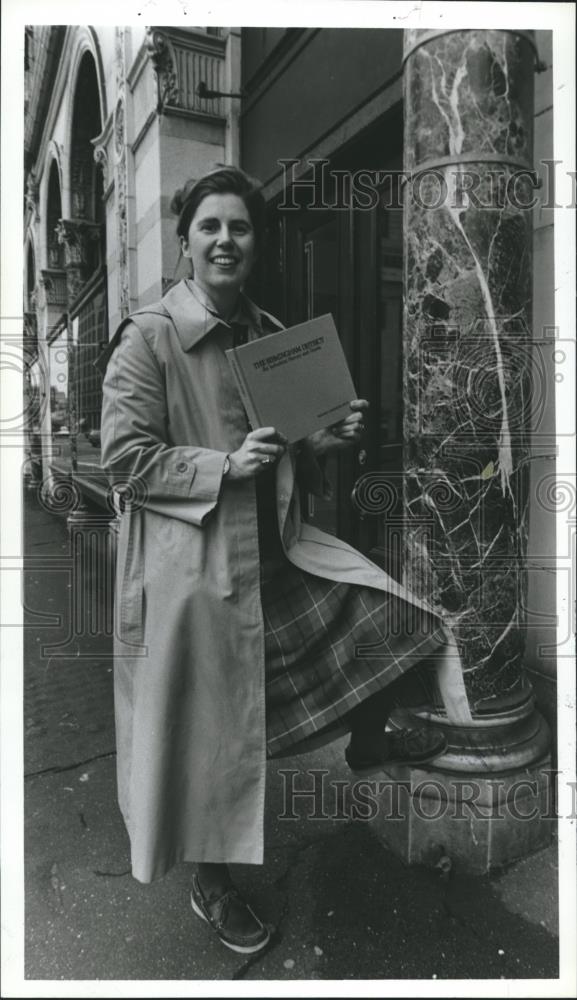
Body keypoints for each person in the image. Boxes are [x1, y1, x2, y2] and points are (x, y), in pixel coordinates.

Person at [97, 165, 470, 955]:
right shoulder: (149, 336)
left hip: (274, 556)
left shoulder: (269, 334)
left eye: (239, 227)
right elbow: (125, 461)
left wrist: (322, 442)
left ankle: (368, 735)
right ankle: (212, 883)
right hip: (191, 579)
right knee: (207, 737)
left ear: (255, 243)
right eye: (210, 227)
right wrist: (222, 466)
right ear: (186, 244)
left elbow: (285, 449)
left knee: (389, 616)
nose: (225, 240)